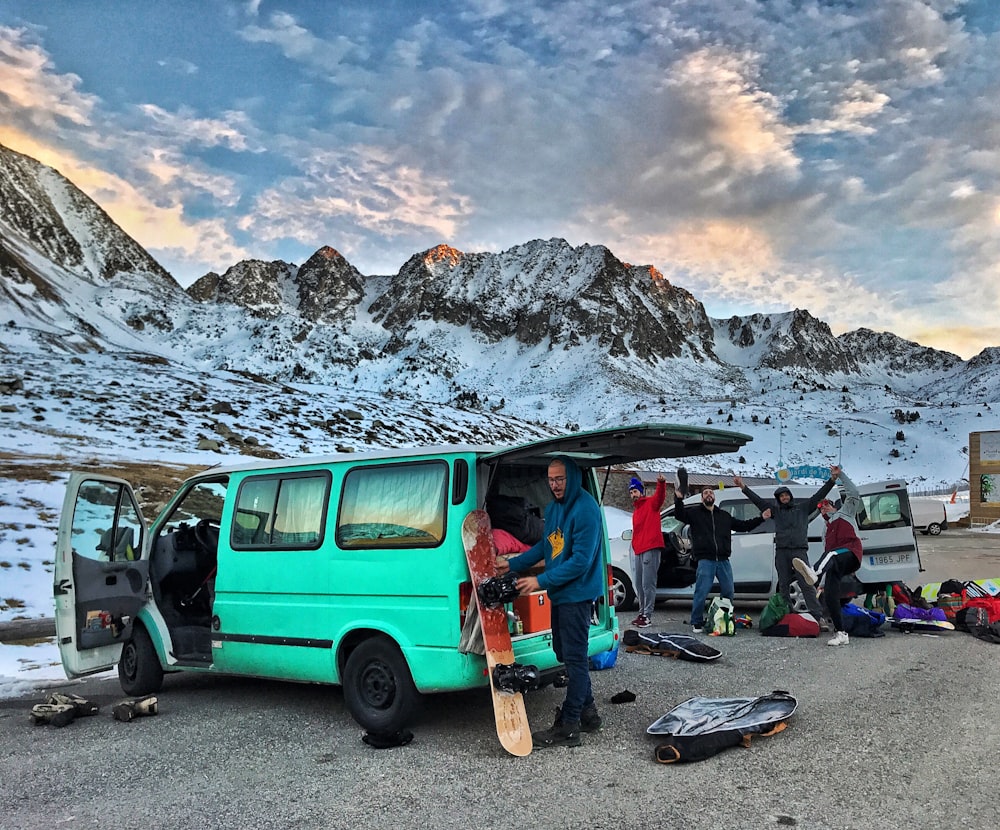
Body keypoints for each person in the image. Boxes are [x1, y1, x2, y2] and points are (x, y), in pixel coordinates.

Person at [496, 456, 606, 749]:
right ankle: (588, 711)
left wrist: (540, 581)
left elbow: (580, 562)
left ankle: (570, 726)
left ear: (572, 477)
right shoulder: (554, 508)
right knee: (565, 653)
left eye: (560, 479)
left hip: (578, 594)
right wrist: (514, 565)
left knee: (575, 659)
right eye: (551, 479)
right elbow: (547, 546)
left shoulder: (586, 511)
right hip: (562, 594)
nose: (555, 485)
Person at [733, 469, 838, 628]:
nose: (784, 498)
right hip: (782, 551)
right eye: (781, 496)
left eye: (786, 495)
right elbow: (758, 501)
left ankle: (817, 616)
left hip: (799, 551)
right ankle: (786, 615)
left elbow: (819, 494)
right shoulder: (776, 511)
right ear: (778, 499)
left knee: (806, 583)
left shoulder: (803, 508)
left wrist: (832, 480)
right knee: (783, 584)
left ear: (790, 496)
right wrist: (743, 487)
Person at [675, 480, 771, 633]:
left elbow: (744, 526)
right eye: (705, 493)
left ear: (714, 497)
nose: (708, 495)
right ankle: (696, 621)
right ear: (702, 498)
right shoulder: (695, 514)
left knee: (728, 591)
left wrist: (762, 518)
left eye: (710, 493)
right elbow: (679, 514)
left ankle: (723, 619)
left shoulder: (724, 516)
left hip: (723, 560)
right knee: (702, 591)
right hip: (705, 560)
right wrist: (678, 498)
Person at [791, 466, 863, 646]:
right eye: (821, 508)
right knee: (831, 597)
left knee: (830, 553)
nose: (824, 509)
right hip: (837, 561)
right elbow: (828, 558)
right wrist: (821, 586)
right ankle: (841, 633)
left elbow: (854, 492)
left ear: (832, 505)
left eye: (826, 505)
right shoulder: (826, 531)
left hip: (851, 553)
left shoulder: (845, 512)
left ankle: (813, 573)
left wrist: (840, 476)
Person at [628, 473, 666, 629]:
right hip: (639, 549)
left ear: (641, 491)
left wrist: (661, 483)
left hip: (651, 547)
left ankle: (647, 615)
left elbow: (660, 497)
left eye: (635, 491)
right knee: (638, 583)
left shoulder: (651, 503)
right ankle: (642, 612)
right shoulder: (636, 511)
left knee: (647, 584)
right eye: (631, 492)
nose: (633, 495)